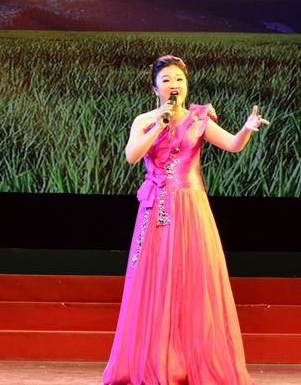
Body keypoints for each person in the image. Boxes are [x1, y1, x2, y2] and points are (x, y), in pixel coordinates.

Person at [103, 55, 270, 385]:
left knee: (193, 280)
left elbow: (232, 145)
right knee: (154, 282)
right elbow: (132, 156)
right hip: (155, 210)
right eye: (166, 80)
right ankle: (155, 362)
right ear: (155, 88)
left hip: (191, 208)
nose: (174, 85)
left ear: (187, 85)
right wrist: (160, 123)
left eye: (179, 79)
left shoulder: (199, 119)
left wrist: (246, 130)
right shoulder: (144, 120)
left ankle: (193, 360)